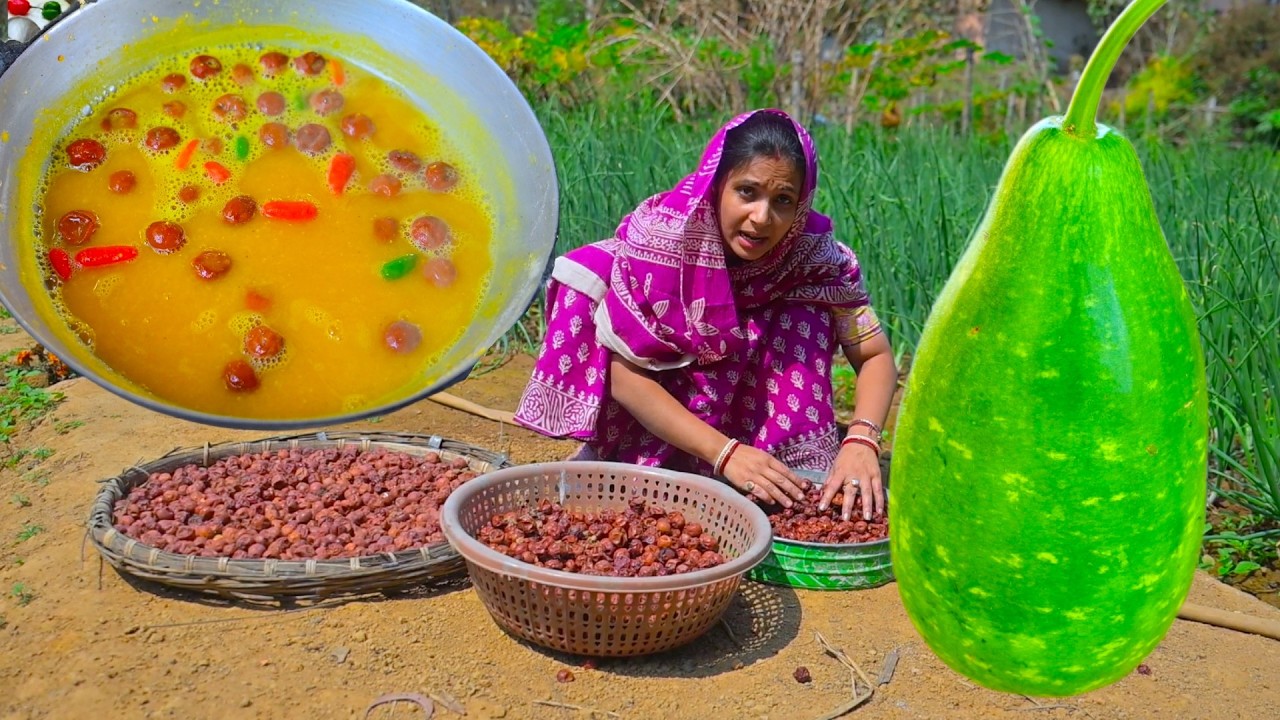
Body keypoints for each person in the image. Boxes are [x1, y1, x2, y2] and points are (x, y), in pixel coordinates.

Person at [514, 109, 898, 521]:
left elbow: (875, 355)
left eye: (783, 200)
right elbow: (626, 378)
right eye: (747, 192)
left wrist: (861, 440)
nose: (762, 218)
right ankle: (670, 461)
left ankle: (783, 464)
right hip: (663, 437)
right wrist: (725, 453)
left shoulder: (816, 261)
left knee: (805, 312)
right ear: (716, 186)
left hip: (768, 443)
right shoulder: (664, 245)